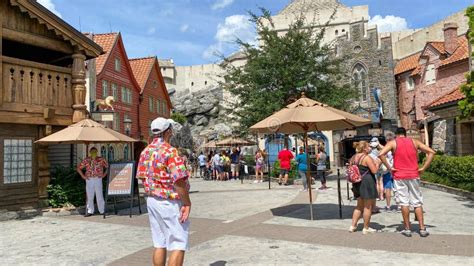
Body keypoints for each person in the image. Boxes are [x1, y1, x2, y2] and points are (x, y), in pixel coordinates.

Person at [136, 117, 191, 265]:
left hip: (152, 200)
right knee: (178, 242)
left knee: (159, 242)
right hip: (169, 201)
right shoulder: (170, 151)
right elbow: (179, 181)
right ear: (168, 132)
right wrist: (187, 203)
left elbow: (141, 177)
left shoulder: (145, 152)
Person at [379, 127, 435, 237]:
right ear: (405, 134)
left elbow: (381, 154)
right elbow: (431, 152)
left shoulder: (393, 143)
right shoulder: (415, 142)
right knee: (417, 202)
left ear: (396, 135)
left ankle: (407, 228)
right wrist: (423, 168)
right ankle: (422, 228)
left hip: (399, 175)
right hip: (413, 174)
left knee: (404, 202)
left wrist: (390, 167)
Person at [349, 141, 380, 234]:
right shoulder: (367, 157)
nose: (370, 148)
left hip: (357, 183)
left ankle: (353, 226)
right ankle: (366, 228)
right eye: (369, 146)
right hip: (367, 182)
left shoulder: (353, 157)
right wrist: (378, 163)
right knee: (368, 206)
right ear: (365, 148)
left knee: (359, 206)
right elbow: (374, 171)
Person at [77, 147, 108, 217]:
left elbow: (108, 167)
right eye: (92, 151)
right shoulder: (86, 160)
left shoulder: (101, 159)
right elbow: (79, 168)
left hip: (98, 179)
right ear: (90, 152)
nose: (93, 152)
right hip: (89, 179)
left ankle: (102, 210)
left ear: (97, 152)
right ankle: (90, 211)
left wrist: (104, 175)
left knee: (99, 195)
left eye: (95, 151)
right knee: (90, 195)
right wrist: (83, 176)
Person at [381, 133, 395, 211]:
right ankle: (400, 206)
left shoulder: (385, 149)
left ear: (386, 140)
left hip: (387, 170)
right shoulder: (396, 147)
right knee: (397, 188)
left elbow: (381, 156)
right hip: (396, 170)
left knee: (388, 188)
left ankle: (388, 206)